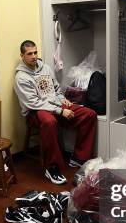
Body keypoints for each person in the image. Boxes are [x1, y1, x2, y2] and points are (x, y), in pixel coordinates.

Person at [14, 40, 97, 184]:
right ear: (22, 56)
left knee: (89, 114)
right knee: (49, 122)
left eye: (35, 52)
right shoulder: (21, 77)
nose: (33, 56)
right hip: (35, 111)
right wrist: (60, 110)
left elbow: (55, 89)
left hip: (54, 106)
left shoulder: (45, 68)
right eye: (29, 54)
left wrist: (62, 100)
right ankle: (51, 167)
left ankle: (78, 158)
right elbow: (34, 103)